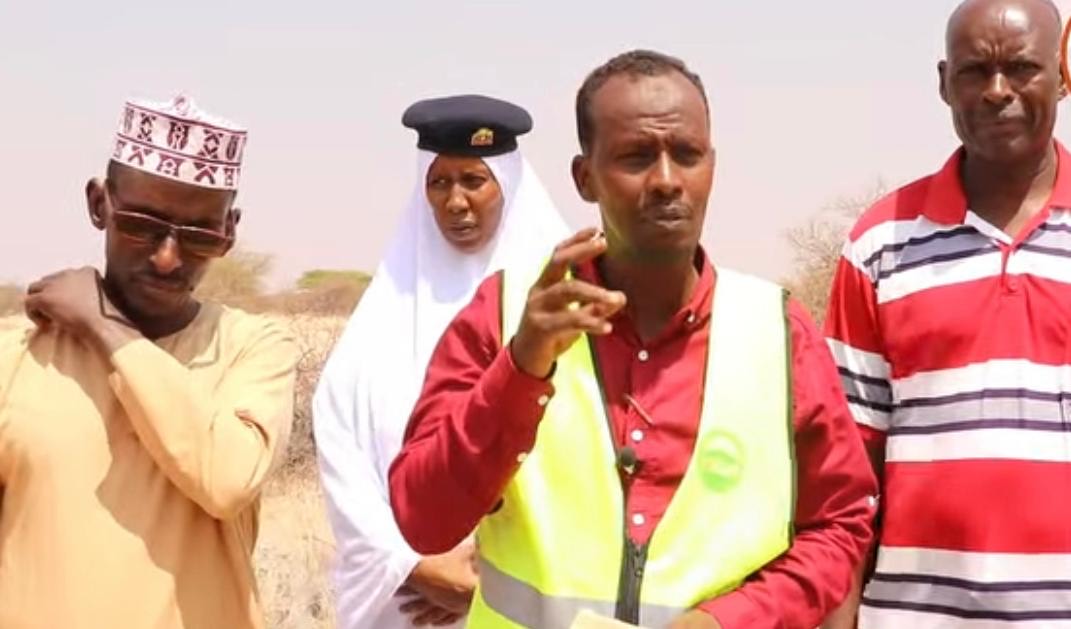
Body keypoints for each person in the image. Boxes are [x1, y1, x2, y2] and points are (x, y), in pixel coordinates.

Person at [389, 50, 877, 629]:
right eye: (637, 157)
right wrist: (521, 369)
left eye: (687, 156)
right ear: (584, 176)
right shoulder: (504, 316)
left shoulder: (778, 331)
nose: (667, 181)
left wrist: (727, 621)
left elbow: (840, 524)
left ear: (712, 167)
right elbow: (423, 520)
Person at [0, 95, 297, 629]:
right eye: (142, 225)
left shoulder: (253, 348)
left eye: (199, 235)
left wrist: (102, 327)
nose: (167, 258)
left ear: (229, 232)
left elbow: (226, 479)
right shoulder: (17, 354)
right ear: (99, 205)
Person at [824, 0, 1071, 626]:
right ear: (943, 82)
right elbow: (848, 474)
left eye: (1021, 68)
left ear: (1064, 75)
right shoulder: (880, 243)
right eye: (973, 72)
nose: (996, 91)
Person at [313, 94, 569, 628]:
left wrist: (488, 583)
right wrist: (411, 566)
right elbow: (341, 446)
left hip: (541, 598)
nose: (456, 202)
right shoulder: (383, 318)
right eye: (439, 182)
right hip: (406, 607)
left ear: (509, 184)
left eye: (473, 180)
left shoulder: (564, 304)